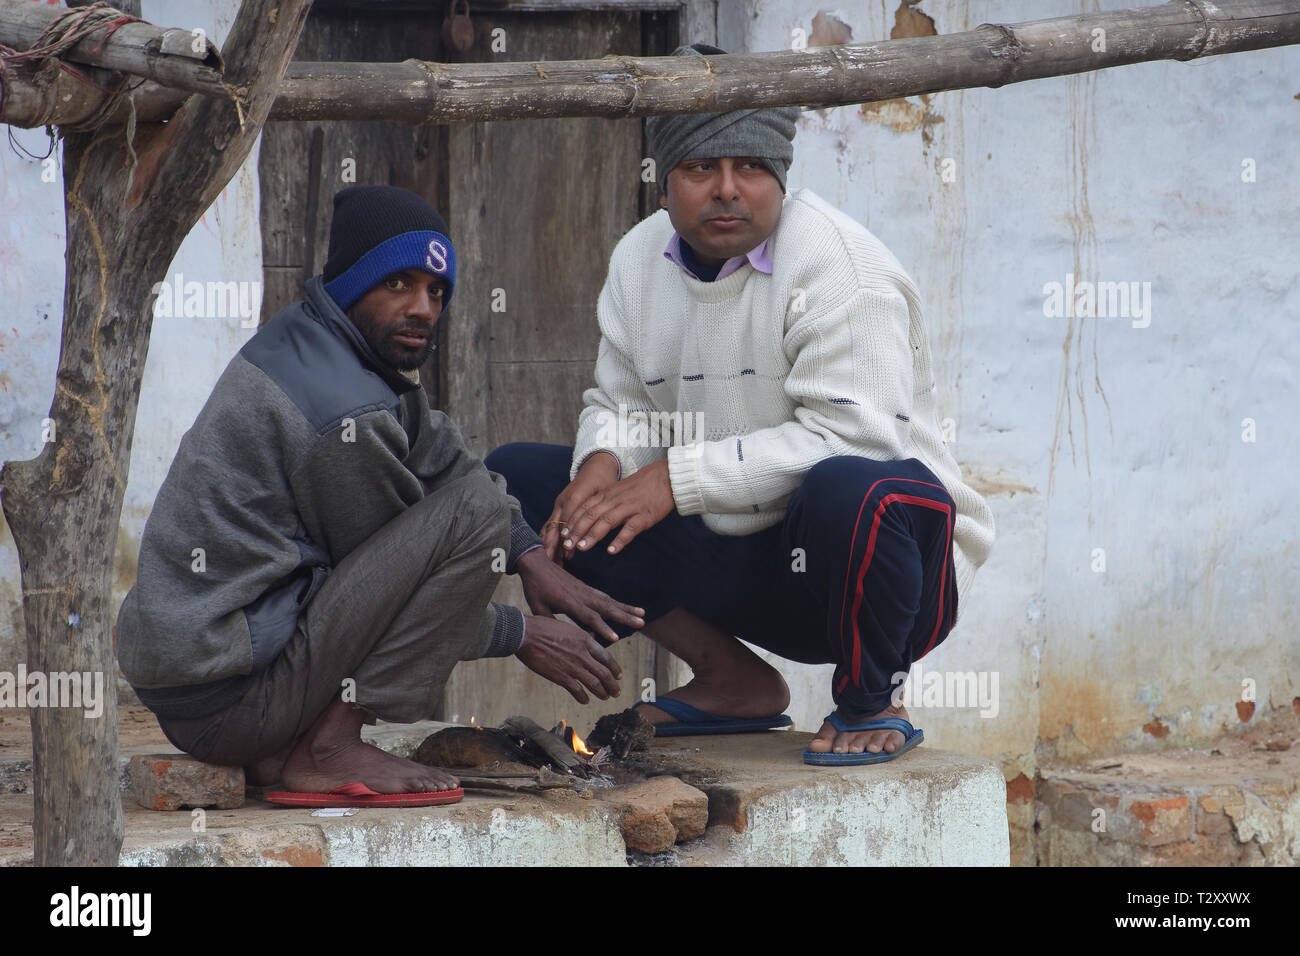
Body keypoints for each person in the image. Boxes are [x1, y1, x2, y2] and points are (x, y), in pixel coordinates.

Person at [485, 44, 996, 765]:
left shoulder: (840, 267)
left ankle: (873, 696)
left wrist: (670, 479)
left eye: (751, 168)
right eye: (701, 168)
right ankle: (733, 679)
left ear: (780, 178)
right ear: (664, 184)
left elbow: (859, 437)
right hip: (744, 560)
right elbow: (621, 398)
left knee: (855, 483)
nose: (728, 190)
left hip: (878, 574)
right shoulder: (639, 258)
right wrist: (603, 460)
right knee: (523, 479)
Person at [116, 185, 642, 805]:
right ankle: (328, 750)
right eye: (398, 285)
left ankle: (289, 743)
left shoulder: (317, 339)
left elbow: (440, 449)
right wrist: (520, 634)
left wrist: (530, 556)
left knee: (474, 496)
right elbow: (399, 604)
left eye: (436, 291)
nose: (422, 307)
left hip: (208, 681)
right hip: (227, 702)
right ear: (352, 284)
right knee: (473, 512)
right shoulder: (346, 412)